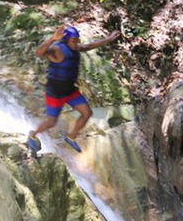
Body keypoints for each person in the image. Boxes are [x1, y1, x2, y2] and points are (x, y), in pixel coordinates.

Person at [27, 25, 120, 155]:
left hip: (70, 92)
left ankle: (71, 137)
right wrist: (53, 39)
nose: (76, 43)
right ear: (66, 39)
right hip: (55, 94)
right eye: (73, 40)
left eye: (77, 40)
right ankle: (33, 135)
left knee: (87, 113)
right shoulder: (57, 49)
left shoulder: (76, 48)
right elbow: (39, 53)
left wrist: (108, 39)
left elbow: (89, 46)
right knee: (51, 122)